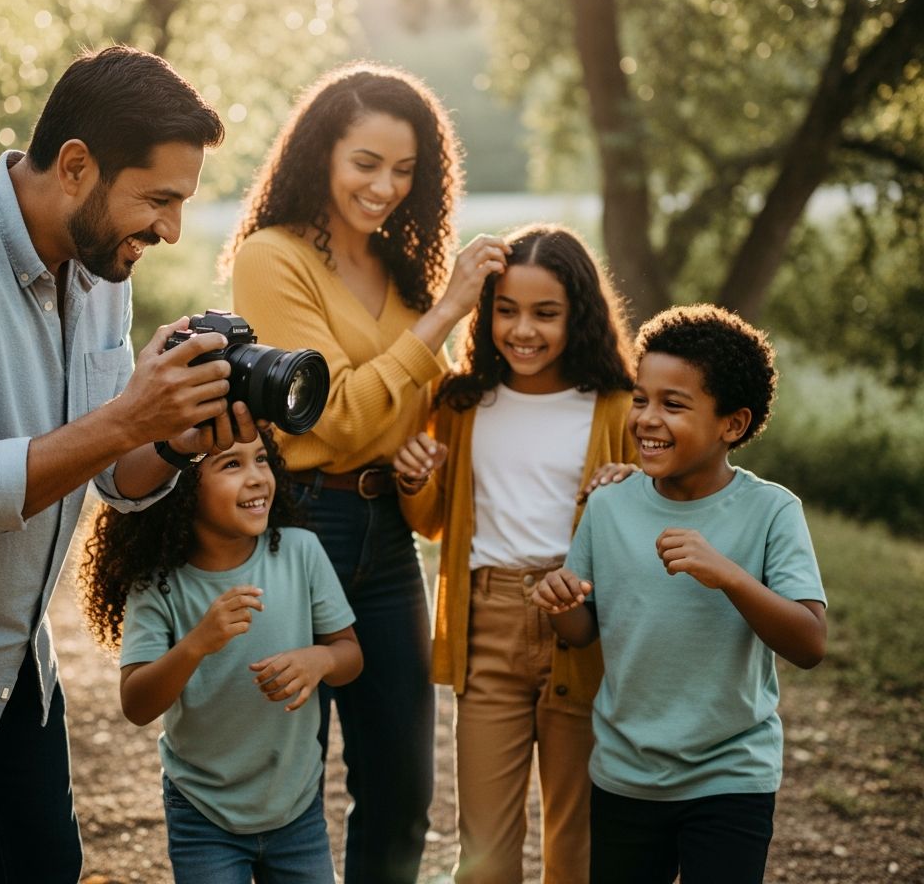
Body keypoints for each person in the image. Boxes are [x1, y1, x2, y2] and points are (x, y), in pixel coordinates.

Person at [0, 44, 256, 883]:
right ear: (75, 165)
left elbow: (110, 475)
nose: (169, 230)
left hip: (16, 665)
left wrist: (169, 439)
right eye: (158, 199)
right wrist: (125, 418)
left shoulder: (102, 266)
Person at [223, 61, 509, 884]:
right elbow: (334, 413)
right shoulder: (272, 260)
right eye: (366, 163)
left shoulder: (407, 275)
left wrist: (419, 460)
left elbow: (410, 428)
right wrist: (451, 311)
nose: (385, 186)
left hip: (387, 542)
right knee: (287, 781)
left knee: (402, 788)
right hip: (300, 525)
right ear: (321, 155)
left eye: (405, 170)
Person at [533, 303, 828, 884]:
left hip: (732, 773)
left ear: (732, 424)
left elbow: (810, 642)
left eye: (673, 405)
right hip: (626, 773)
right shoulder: (609, 505)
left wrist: (731, 576)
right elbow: (584, 628)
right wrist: (561, 606)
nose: (645, 418)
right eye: (640, 399)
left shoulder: (772, 512)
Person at [393, 222, 637, 884]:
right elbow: (437, 521)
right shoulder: (463, 402)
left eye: (545, 313)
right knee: (486, 850)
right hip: (488, 627)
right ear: (486, 312)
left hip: (584, 629)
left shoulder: (616, 405)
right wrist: (414, 480)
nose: (522, 329)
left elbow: (651, 513)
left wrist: (631, 484)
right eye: (506, 310)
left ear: (577, 315)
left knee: (576, 839)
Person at [79, 427, 363, 883]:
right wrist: (196, 643)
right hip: (202, 813)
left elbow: (350, 654)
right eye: (231, 464)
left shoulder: (299, 553)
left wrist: (320, 660)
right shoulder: (158, 585)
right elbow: (136, 703)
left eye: (262, 459)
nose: (255, 477)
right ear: (182, 487)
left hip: (296, 808)